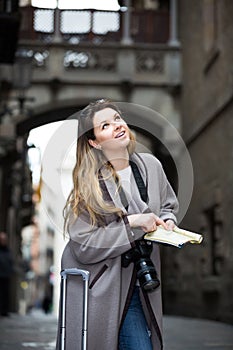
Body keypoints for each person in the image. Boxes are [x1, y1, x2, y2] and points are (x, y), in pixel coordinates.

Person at [56, 99, 179, 350]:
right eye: (105, 125)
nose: (117, 126)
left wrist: (168, 221)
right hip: (107, 288)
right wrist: (133, 223)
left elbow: (168, 205)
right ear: (95, 141)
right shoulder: (88, 185)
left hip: (145, 282)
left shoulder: (151, 166)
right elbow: (84, 246)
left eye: (118, 119)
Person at [0, 231, 14, 317]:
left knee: (5, 294)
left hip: (6, 275)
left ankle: (4, 311)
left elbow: (10, 262)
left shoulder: (8, 250)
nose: (4, 241)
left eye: (5, 239)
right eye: (2, 239)